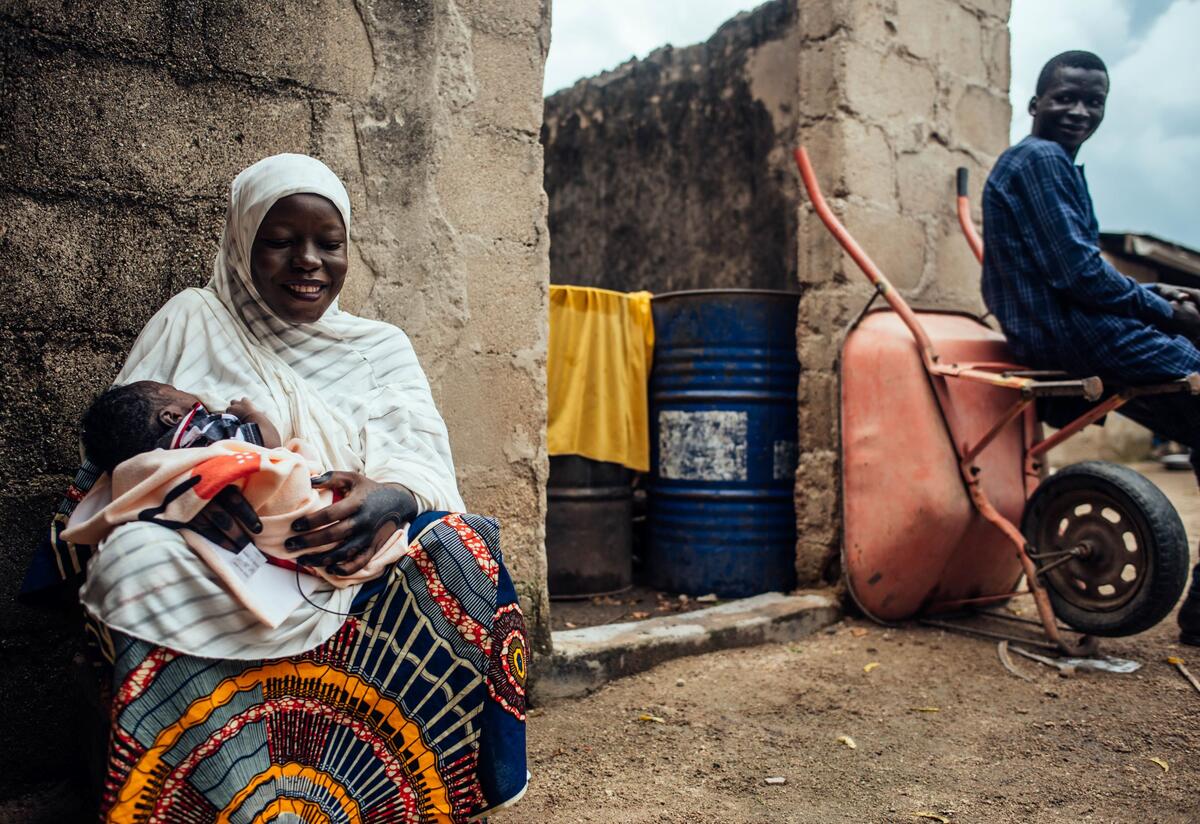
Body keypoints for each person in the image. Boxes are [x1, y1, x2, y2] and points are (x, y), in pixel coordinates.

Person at [30, 154, 530, 821]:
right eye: (280, 240)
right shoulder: (192, 320)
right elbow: (120, 459)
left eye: (329, 242)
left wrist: (390, 497)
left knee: (468, 545)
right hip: (223, 552)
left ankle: (395, 790)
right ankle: (197, 793)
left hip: (350, 544)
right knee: (131, 562)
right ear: (241, 245)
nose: (309, 261)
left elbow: (424, 463)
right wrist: (199, 501)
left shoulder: (380, 347)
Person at [981, 50, 1200, 646]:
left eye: (1092, 102)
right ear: (1035, 104)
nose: (1079, 111)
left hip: (1068, 324)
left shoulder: (1059, 167)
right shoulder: (1040, 160)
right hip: (1069, 332)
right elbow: (1080, 277)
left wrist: (1155, 291)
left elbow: (1079, 267)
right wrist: (1168, 311)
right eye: (1065, 98)